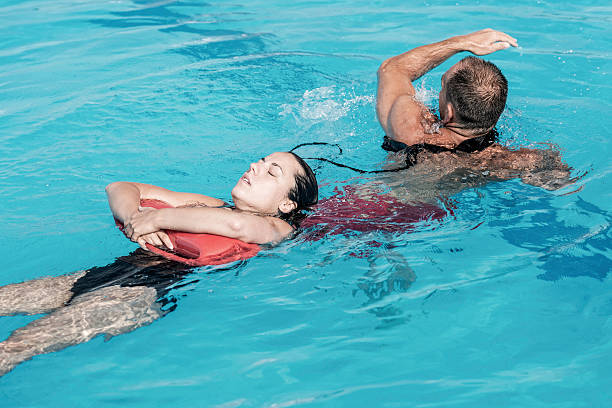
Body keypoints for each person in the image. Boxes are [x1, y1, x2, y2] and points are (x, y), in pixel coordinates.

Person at [0, 151, 318, 376]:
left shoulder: (279, 228)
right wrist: (133, 218)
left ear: (286, 203)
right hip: (108, 273)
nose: (254, 166)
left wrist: (159, 217)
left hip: (139, 295)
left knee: (14, 347)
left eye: (271, 171)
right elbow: (121, 187)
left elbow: (238, 228)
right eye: (260, 161)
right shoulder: (209, 204)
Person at [375, 28, 575, 196]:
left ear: (449, 112)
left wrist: (460, 43)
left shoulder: (413, 130)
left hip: (385, 202)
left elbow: (392, 69)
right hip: (437, 210)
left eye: (442, 87)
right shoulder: (506, 159)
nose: (439, 92)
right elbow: (562, 182)